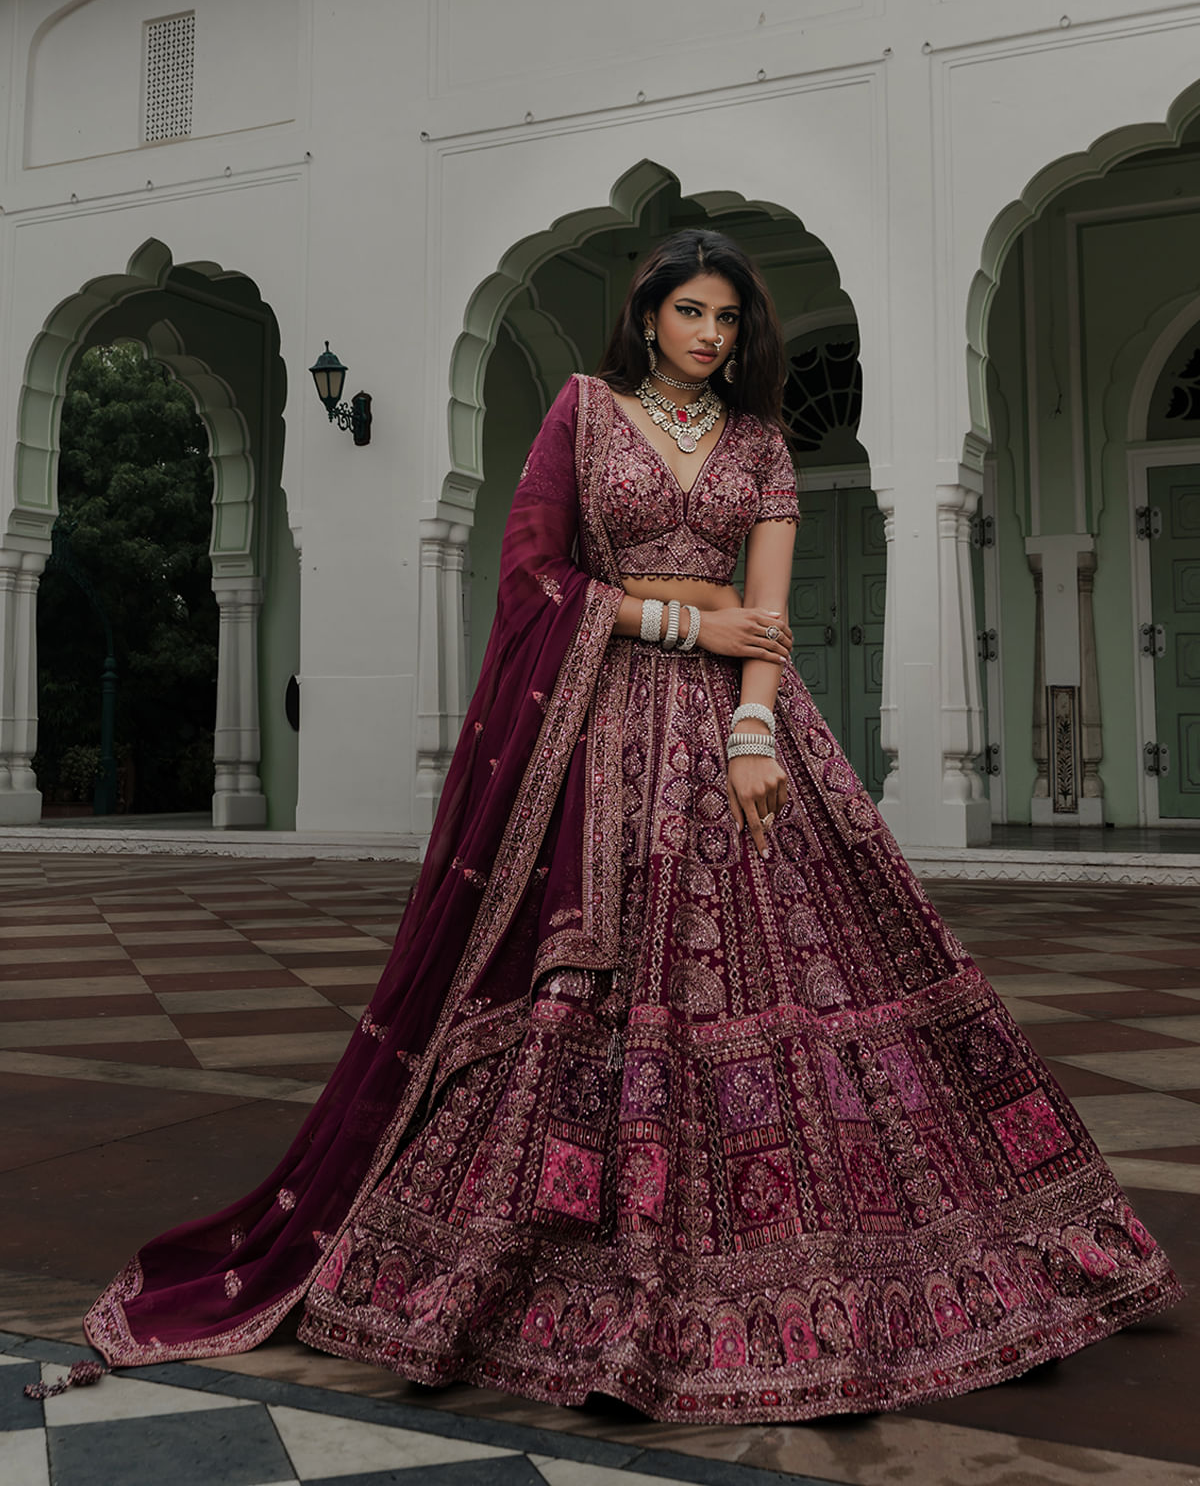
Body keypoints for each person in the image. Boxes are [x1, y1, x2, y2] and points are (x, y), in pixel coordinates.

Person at [81, 230, 1180, 1424]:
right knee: (595, 968)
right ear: (649, 315)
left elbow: (765, 616)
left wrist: (755, 734)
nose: (712, 335)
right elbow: (532, 575)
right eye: (691, 312)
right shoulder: (584, 413)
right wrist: (677, 620)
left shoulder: (761, 442)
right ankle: (544, 1272)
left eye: (728, 320)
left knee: (825, 965)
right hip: (600, 735)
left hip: (742, 737)